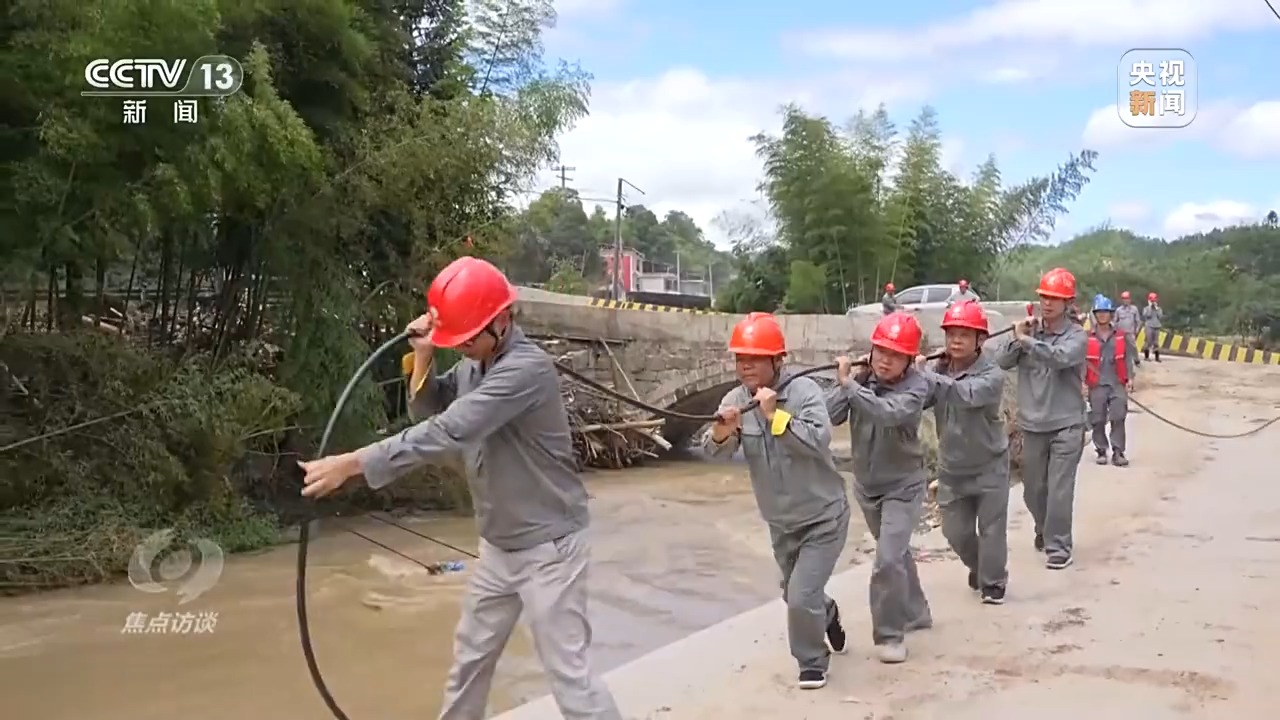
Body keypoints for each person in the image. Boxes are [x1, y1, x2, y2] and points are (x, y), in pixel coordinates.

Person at [297, 256, 622, 720]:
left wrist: (353, 463)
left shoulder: (525, 370)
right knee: (469, 660)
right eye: (459, 340)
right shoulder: (476, 365)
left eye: (469, 338)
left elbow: (449, 430)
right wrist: (426, 353)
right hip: (498, 546)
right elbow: (428, 407)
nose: (464, 347)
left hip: (550, 550)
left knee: (570, 677)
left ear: (503, 320)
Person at [703, 312, 850, 690]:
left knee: (801, 596)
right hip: (781, 522)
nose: (745, 366)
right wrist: (722, 431)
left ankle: (812, 662)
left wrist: (775, 416)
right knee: (793, 593)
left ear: (777, 360)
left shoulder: (804, 393)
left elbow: (818, 441)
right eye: (740, 359)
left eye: (754, 358)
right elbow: (713, 453)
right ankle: (827, 611)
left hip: (823, 516)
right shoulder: (735, 400)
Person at [826, 312, 933, 664]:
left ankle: (890, 635)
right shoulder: (861, 381)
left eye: (894, 354)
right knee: (896, 553)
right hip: (868, 486)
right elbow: (829, 414)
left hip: (903, 486)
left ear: (908, 360)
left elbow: (887, 413)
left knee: (887, 559)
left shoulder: (916, 387)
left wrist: (851, 386)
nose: (885, 360)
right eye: (880, 351)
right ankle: (917, 611)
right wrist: (848, 380)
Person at [915, 301, 1010, 605]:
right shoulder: (940, 370)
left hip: (989, 465)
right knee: (956, 534)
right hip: (952, 469)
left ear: (980, 340)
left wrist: (926, 374)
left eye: (964, 335)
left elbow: (963, 394)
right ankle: (980, 566)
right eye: (951, 334)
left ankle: (994, 582)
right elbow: (920, 399)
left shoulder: (991, 374)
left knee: (992, 530)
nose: (955, 341)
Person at [995, 267, 1087, 571]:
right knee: (1034, 489)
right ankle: (1043, 528)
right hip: (1033, 426)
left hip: (1067, 424)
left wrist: (1028, 341)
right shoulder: (1028, 334)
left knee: (1060, 488)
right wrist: (1016, 337)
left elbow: (1059, 357)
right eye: (1044, 297)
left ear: (1068, 302)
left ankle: (1059, 545)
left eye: (1055, 298)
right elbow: (1001, 362)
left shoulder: (1076, 336)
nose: (1048, 303)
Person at [1086, 296, 1136, 467]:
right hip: (1096, 384)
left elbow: (1128, 358)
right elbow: (1081, 362)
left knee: (1118, 417)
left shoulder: (1121, 336)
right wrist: (1081, 383)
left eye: (1105, 312)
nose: (1102, 316)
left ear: (1111, 315)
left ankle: (1118, 451)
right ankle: (1101, 449)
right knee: (1097, 418)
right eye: (1099, 312)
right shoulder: (1087, 337)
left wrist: (1130, 378)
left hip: (1117, 383)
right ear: (1095, 315)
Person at [1114, 291, 1142, 366]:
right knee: (1121, 348)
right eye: (1124, 299)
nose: (1125, 300)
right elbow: (1115, 321)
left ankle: (1136, 360)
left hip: (1130, 332)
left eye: (1127, 299)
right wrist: (1115, 331)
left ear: (1130, 299)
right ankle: (1121, 361)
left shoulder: (1134, 309)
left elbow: (1138, 321)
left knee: (1133, 347)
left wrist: (1137, 330)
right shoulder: (1118, 310)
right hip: (1121, 333)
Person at [1141, 292, 1163, 362]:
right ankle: (1146, 357)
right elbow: (1147, 316)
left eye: (1154, 300)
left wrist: (1156, 308)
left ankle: (1157, 357)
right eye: (1152, 301)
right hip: (1149, 326)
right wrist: (1150, 307)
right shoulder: (1146, 308)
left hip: (1157, 326)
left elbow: (1160, 316)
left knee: (1156, 342)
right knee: (1148, 341)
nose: (1153, 302)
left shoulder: (1159, 308)